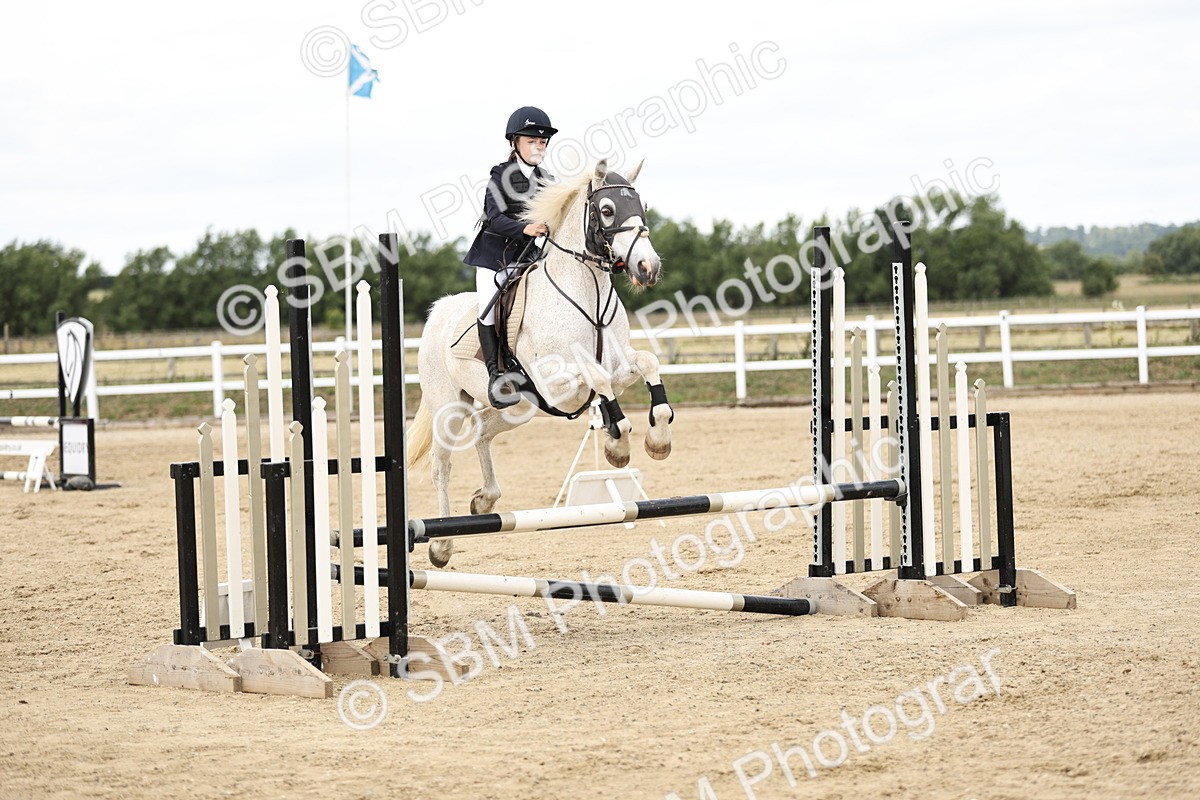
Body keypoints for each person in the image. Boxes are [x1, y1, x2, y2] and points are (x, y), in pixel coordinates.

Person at [464, 105, 557, 408]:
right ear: (515, 143)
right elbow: (493, 217)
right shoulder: (500, 175)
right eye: (532, 141)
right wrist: (526, 228)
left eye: (542, 142)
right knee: (488, 309)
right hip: (495, 258)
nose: (538, 147)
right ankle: (496, 376)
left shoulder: (547, 179)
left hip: (530, 259)